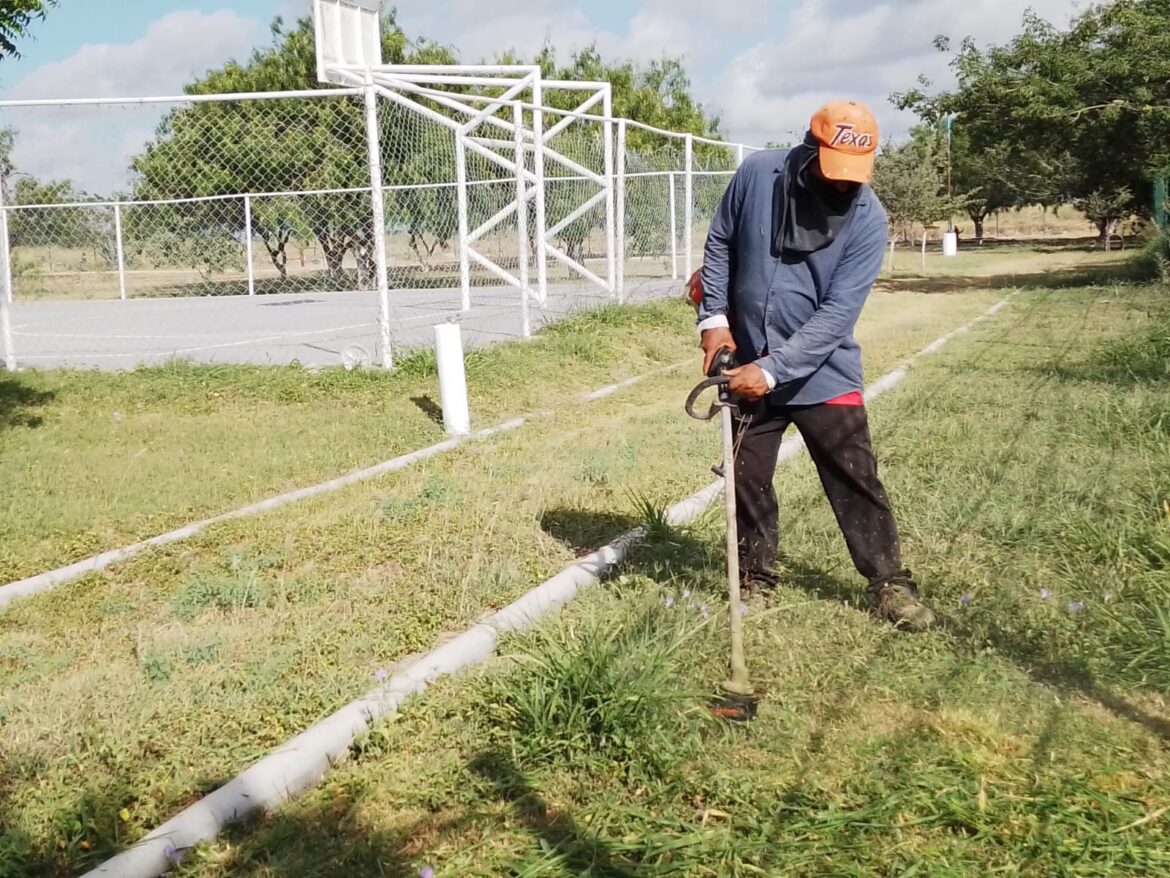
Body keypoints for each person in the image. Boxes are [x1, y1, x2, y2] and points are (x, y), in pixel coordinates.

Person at [695, 99, 937, 632]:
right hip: (747, 363)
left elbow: (837, 316)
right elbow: (720, 244)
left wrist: (776, 370)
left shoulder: (869, 219)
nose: (843, 187)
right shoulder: (758, 175)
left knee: (855, 476)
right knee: (746, 474)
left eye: (854, 178)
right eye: (833, 174)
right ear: (809, 150)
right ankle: (755, 575)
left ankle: (890, 584)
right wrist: (713, 321)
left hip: (822, 369)